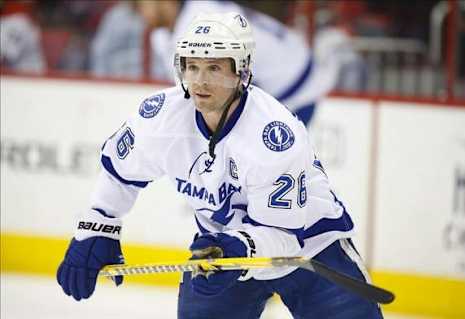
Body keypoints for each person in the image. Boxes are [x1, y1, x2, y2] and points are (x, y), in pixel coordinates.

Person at [57, 12, 383, 319]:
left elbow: (285, 237)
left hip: (310, 249)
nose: (200, 81)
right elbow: (121, 170)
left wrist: (236, 247)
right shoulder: (162, 117)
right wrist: (98, 224)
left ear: (241, 71)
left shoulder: (272, 135)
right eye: (192, 66)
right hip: (222, 253)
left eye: (214, 68)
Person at [90, 0, 329, 125]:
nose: (141, 14)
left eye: (143, 5)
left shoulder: (200, 21)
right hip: (272, 84)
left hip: (294, 89)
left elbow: (216, 99)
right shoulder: (164, 33)